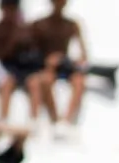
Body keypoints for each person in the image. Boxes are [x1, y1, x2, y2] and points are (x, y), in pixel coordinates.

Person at [27, 0, 87, 139]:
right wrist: (47, 60)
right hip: (44, 66)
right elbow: (29, 52)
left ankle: (66, 122)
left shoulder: (72, 25)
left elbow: (83, 54)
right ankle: (51, 120)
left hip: (64, 66)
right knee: (43, 80)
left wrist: (70, 60)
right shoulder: (40, 25)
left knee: (79, 81)